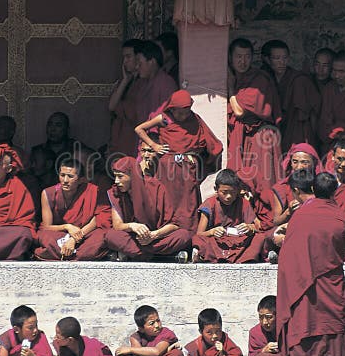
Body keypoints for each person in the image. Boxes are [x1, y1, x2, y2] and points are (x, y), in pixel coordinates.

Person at [277, 172, 345, 356]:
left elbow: (290, 253)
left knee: (304, 330)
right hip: (330, 283)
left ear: (312, 188)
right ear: (334, 192)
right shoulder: (341, 217)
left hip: (303, 286)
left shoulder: (300, 216)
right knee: (332, 331)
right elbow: (341, 250)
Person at [135, 89, 223, 232]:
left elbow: (211, 144)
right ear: (172, 108)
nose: (183, 116)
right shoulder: (164, 118)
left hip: (187, 168)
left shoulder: (194, 119)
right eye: (179, 113)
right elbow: (139, 129)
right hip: (166, 168)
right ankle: (166, 233)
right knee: (168, 201)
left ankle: (189, 235)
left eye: (186, 112)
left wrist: (197, 157)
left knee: (188, 203)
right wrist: (154, 146)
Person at [226, 38, 283, 198]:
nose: (243, 61)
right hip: (243, 137)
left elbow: (238, 111)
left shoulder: (259, 79)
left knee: (261, 181)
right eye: (238, 56)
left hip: (260, 138)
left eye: (247, 56)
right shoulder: (236, 77)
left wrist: (230, 88)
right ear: (230, 58)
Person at [104, 156, 190, 261]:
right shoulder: (116, 192)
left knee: (183, 236)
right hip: (134, 238)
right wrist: (132, 226)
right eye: (115, 176)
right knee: (111, 236)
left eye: (120, 177)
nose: (116, 181)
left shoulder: (156, 187)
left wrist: (153, 235)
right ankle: (161, 256)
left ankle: (139, 254)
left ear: (133, 175)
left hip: (157, 237)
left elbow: (174, 225)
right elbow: (117, 226)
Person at [34, 157, 110, 261]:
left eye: (70, 176)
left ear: (81, 180)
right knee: (45, 237)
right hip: (59, 233)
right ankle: (78, 254)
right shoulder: (48, 193)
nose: (65, 180)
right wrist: (67, 227)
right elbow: (47, 227)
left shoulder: (92, 191)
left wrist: (75, 238)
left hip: (84, 233)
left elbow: (98, 219)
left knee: (100, 236)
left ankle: (61, 253)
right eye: (62, 175)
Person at [192, 169, 265, 263]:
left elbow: (258, 227)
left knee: (260, 237)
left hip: (239, 241)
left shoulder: (243, 203)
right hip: (218, 242)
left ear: (238, 190)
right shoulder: (209, 204)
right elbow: (200, 234)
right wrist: (212, 232)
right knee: (197, 239)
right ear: (216, 189)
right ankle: (211, 255)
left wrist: (250, 228)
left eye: (233, 192)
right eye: (224, 192)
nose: (229, 196)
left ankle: (210, 257)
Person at [265, 40, 320, 151]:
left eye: (285, 58)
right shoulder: (266, 79)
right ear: (268, 60)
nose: (282, 62)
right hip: (276, 128)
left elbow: (314, 108)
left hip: (296, 129)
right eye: (277, 58)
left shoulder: (300, 80)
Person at [108, 39, 144, 156]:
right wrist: (124, 81)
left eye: (128, 57)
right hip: (120, 136)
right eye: (123, 58)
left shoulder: (144, 82)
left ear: (138, 58)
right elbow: (111, 106)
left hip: (132, 137)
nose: (125, 62)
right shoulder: (127, 81)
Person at [133, 40, 178, 128]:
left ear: (152, 62)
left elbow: (168, 119)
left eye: (140, 63)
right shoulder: (141, 84)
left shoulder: (166, 83)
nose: (137, 67)